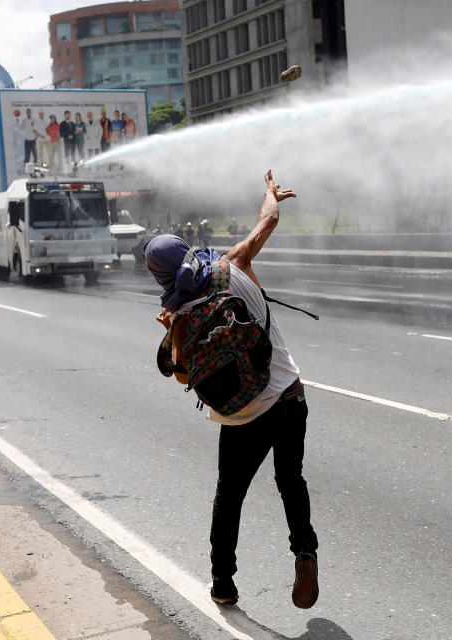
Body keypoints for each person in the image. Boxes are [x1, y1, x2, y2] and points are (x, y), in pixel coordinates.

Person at [145, 170, 319, 610]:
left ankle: (223, 581)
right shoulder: (235, 261)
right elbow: (267, 222)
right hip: (288, 394)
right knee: (290, 479)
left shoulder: (180, 312)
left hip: (241, 416)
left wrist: (173, 329)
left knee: (230, 494)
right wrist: (269, 195)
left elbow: (184, 376)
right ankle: (304, 551)